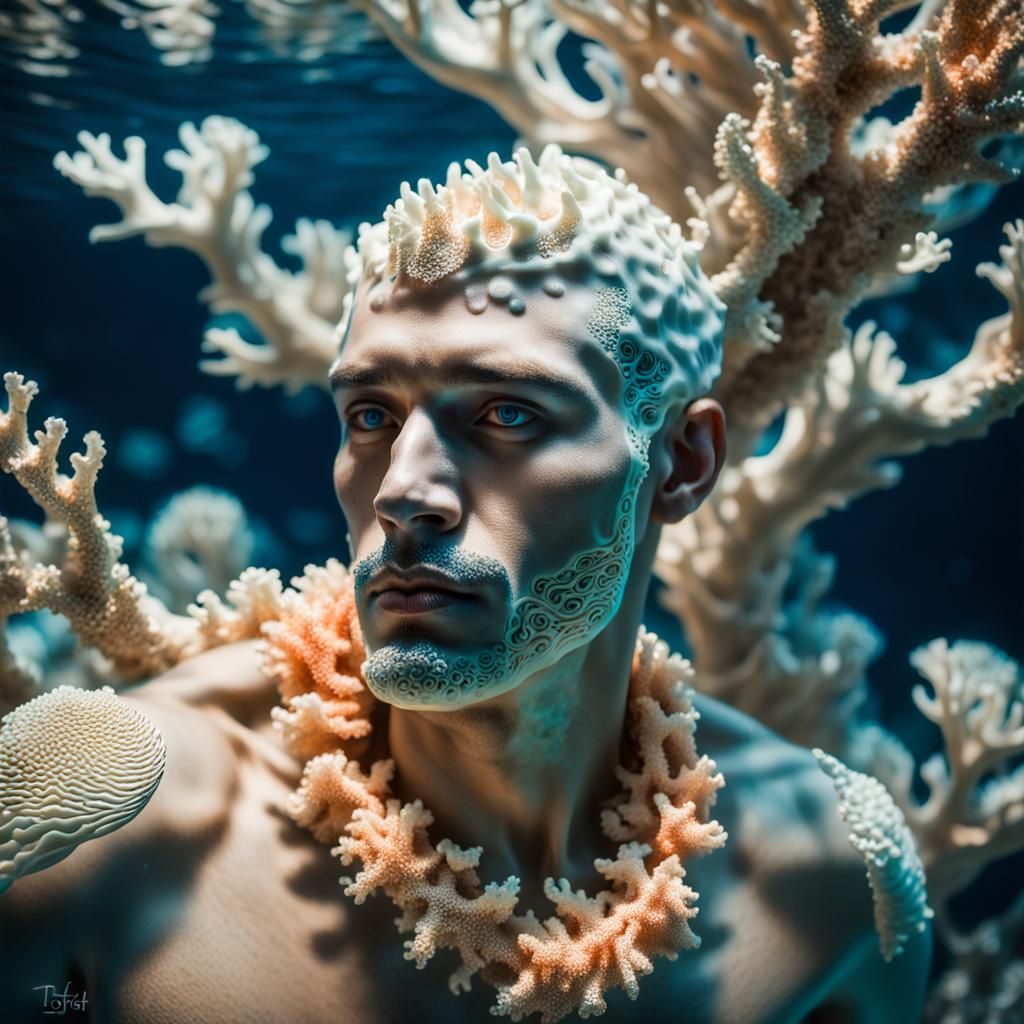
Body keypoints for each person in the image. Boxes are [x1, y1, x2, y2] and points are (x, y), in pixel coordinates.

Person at [0, 146, 930, 1023]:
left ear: (682, 463)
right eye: (371, 415)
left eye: (508, 414)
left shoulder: (840, 876)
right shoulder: (89, 819)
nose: (403, 491)